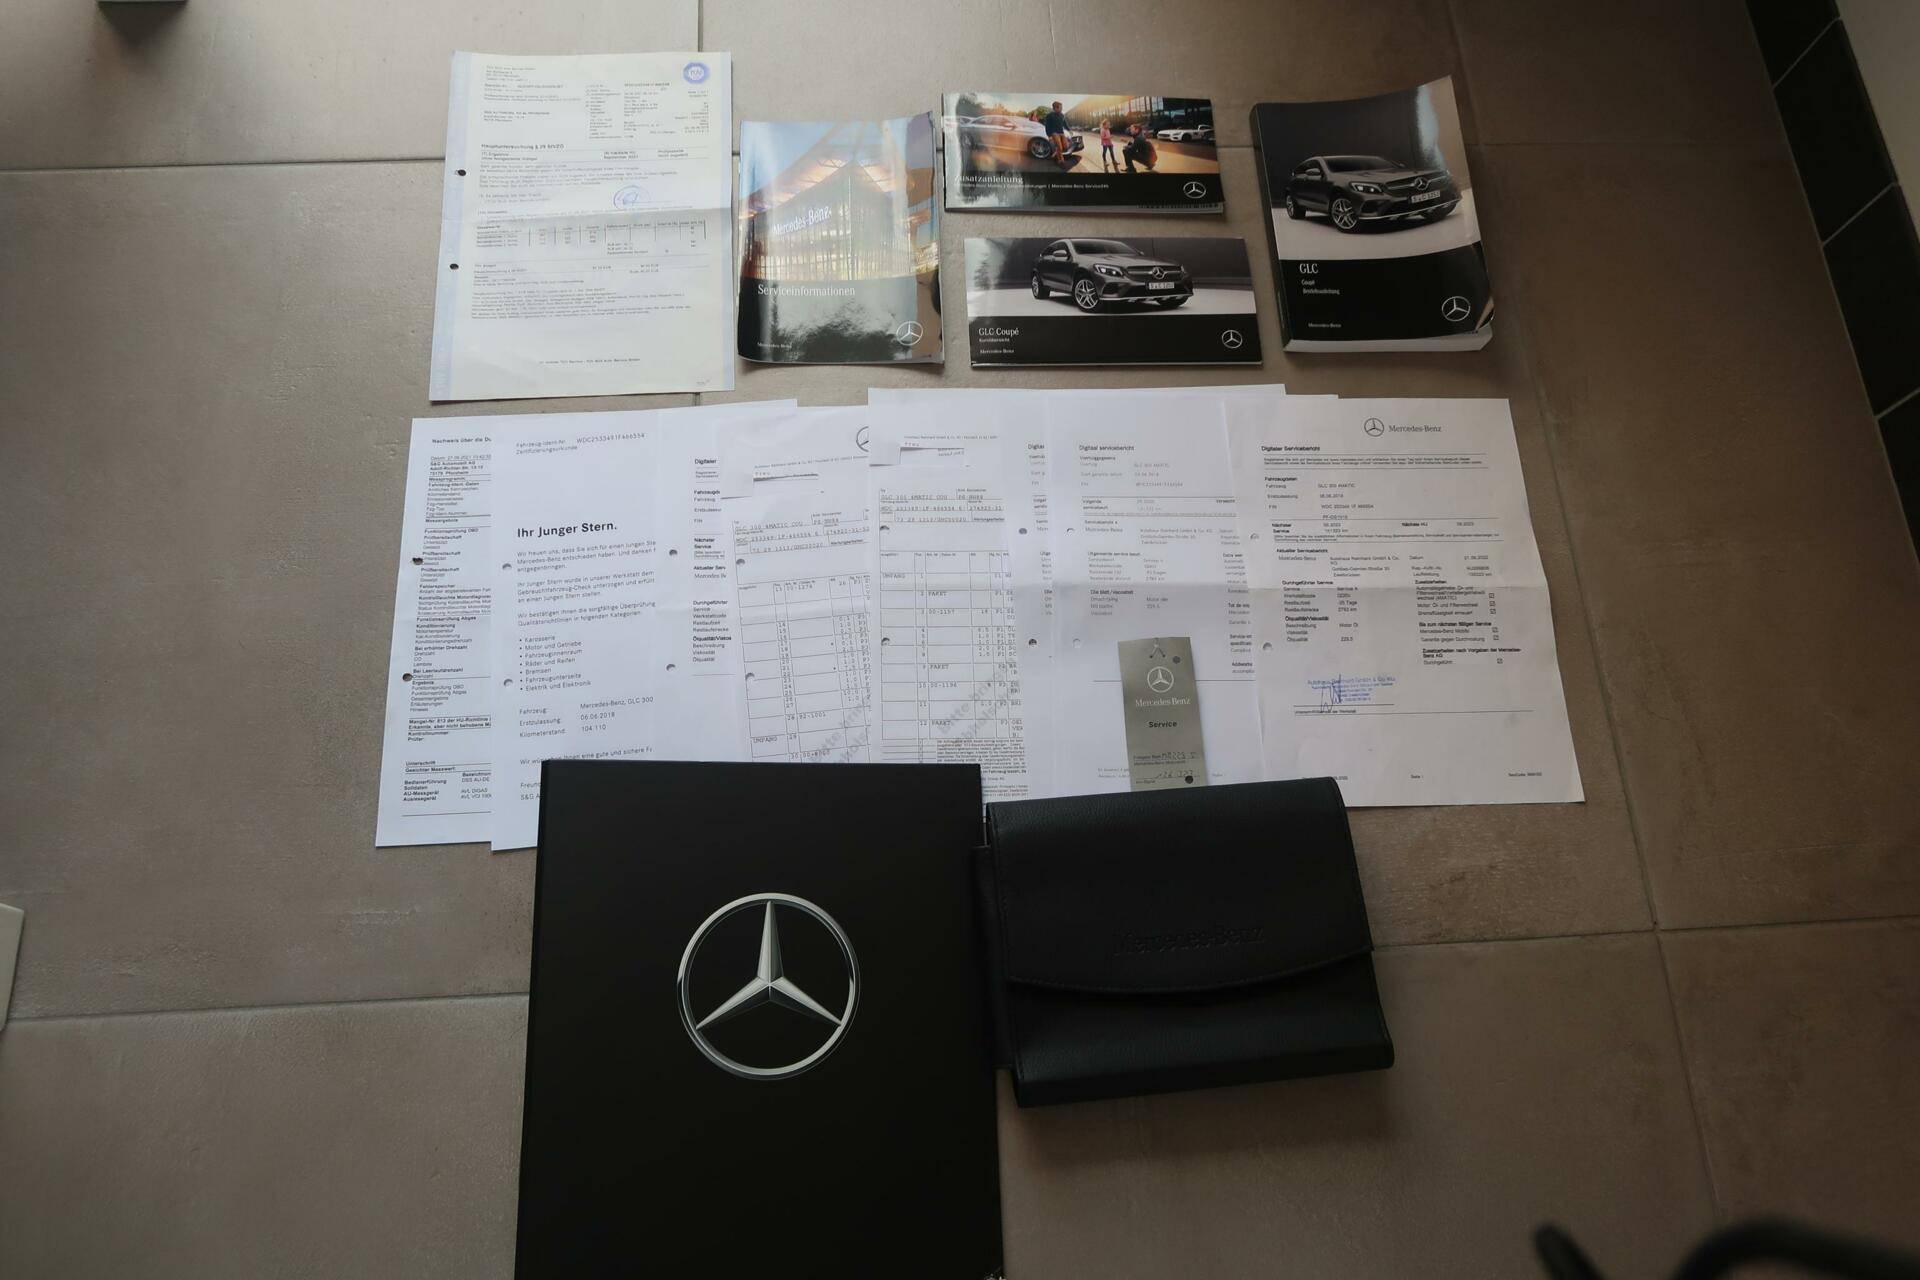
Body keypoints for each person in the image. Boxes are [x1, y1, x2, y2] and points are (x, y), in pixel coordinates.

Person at [1042, 100, 1071, 165]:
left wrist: (1069, 130)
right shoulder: (1049, 115)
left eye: (1061, 107)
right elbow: (1047, 126)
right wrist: (1049, 135)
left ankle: (1056, 152)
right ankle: (1061, 161)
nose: (1062, 109)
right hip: (1054, 133)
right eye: (1060, 108)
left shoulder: (1062, 115)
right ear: (1055, 108)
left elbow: (1065, 124)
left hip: (1061, 132)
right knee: (1060, 148)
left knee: (1066, 147)